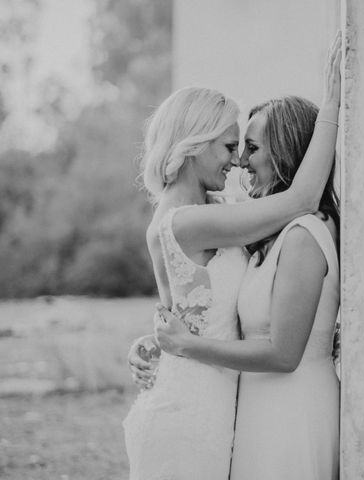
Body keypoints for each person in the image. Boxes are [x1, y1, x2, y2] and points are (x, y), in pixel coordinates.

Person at [124, 34, 342, 480]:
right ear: (194, 145)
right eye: (228, 146)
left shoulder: (217, 214)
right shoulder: (185, 221)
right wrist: (333, 106)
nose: (237, 161)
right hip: (192, 406)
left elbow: (200, 302)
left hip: (227, 401)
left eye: (244, 148)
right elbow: (300, 198)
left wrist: (325, 329)